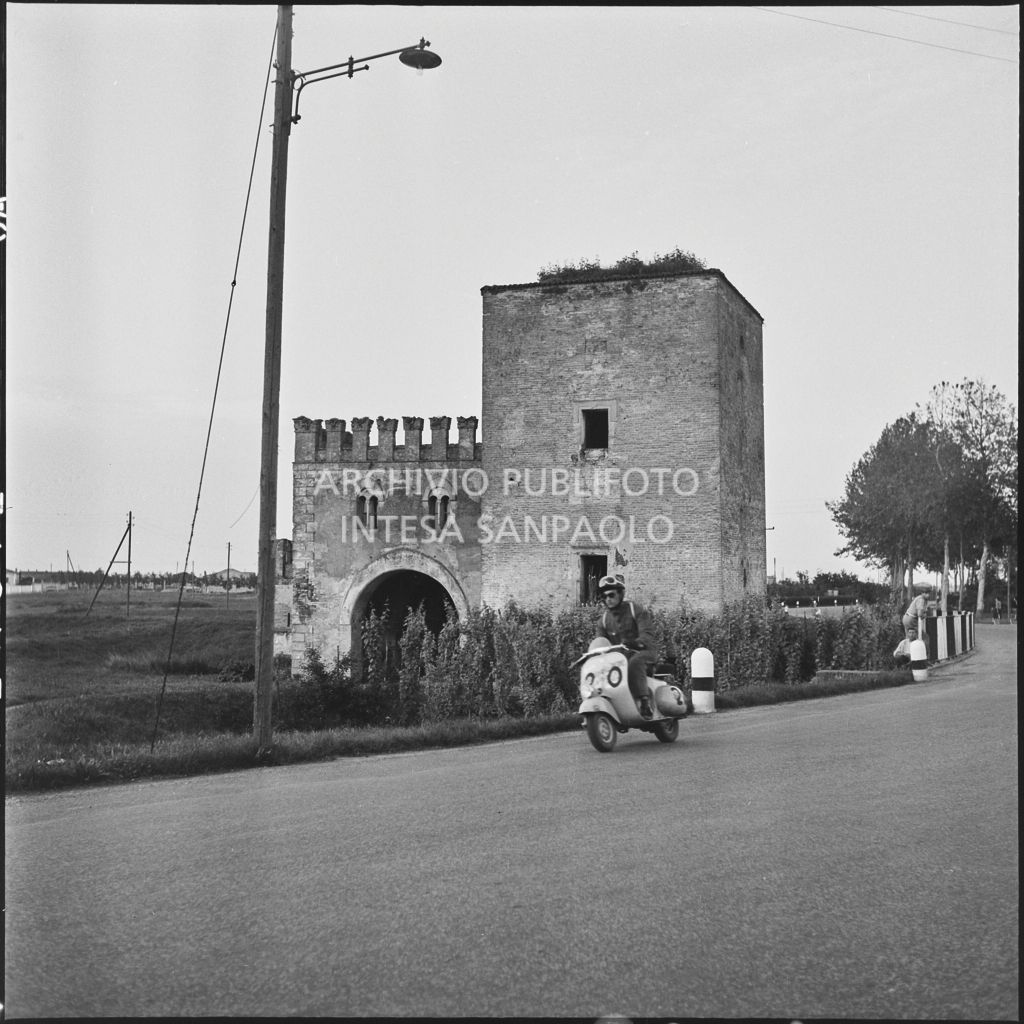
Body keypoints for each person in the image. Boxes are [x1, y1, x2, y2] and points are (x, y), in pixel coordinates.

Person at [595, 574, 658, 719]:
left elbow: (647, 634)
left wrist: (637, 642)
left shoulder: (635, 610)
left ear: (620, 594)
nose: (608, 599)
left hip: (644, 652)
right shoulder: (603, 620)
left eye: (611, 595)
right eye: (604, 597)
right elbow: (600, 642)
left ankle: (644, 702)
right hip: (619, 657)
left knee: (634, 662)